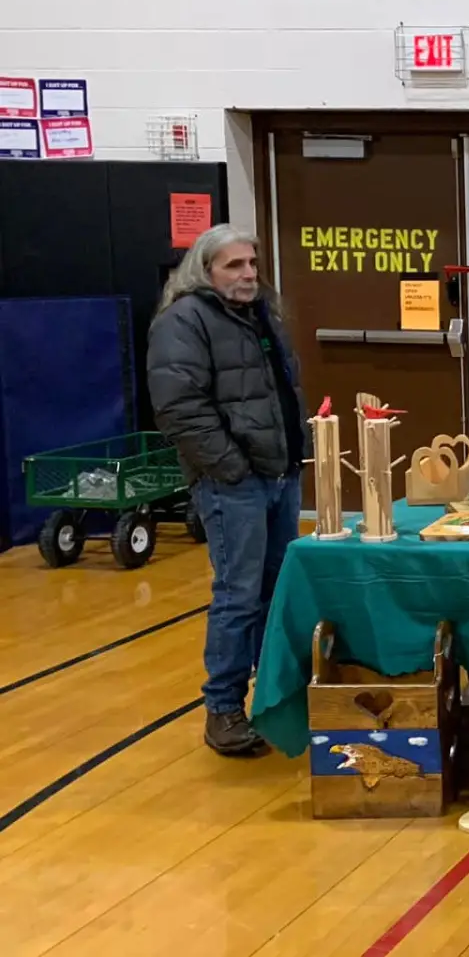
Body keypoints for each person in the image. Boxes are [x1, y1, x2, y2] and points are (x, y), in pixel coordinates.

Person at [148, 225, 307, 757]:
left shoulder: (260, 314)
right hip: (234, 483)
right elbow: (179, 409)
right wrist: (231, 468)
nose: (247, 275)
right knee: (238, 596)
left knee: (275, 592)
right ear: (205, 270)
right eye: (234, 266)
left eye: (252, 265)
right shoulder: (184, 322)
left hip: (279, 475)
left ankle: (273, 701)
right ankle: (223, 709)